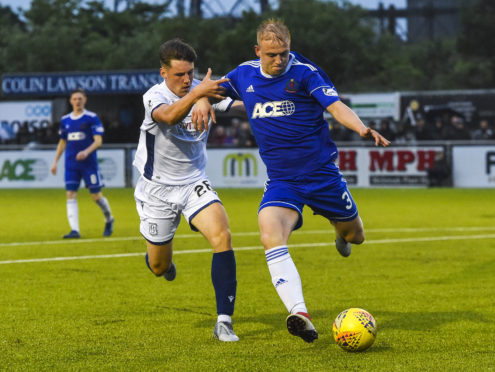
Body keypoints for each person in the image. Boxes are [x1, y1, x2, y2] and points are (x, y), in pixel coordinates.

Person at [200, 19, 390, 343]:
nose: (279, 60)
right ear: (257, 50)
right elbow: (210, 89)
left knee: (355, 236)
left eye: (284, 53)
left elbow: (336, 106)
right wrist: (202, 98)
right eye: (272, 54)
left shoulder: (305, 72)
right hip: (282, 180)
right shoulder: (244, 74)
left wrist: (361, 129)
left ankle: (339, 232)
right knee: (269, 232)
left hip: (322, 176)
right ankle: (300, 313)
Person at [132, 38, 241, 342]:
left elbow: (240, 104)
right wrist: (198, 95)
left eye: (190, 73)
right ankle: (163, 263)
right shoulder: (155, 96)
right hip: (156, 190)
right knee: (158, 265)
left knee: (222, 236)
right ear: (163, 73)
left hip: (194, 183)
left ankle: (223, 320)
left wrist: (271, 105)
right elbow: (168, 117)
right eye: (179, 74)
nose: (185, 79)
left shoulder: (199, 87)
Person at [50, 88, 114, 239]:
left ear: (84, 100)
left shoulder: (92, 118)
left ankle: (109, 219)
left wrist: (86, 152)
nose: (77, 101)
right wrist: (55, 162)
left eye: (80, 99)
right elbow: (62, 142)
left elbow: (98, 141)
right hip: (71, 165)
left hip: (89, 165)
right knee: (70, 194)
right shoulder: (65, 120)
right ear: (71, 101)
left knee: (96, 197)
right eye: (74, 99)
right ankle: (75, 231)